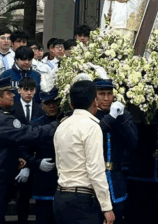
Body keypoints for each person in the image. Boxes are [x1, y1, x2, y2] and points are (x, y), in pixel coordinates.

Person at [0, 77, 59, 224]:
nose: (13, 95)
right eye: (8, 93)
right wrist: (56, 125)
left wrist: (13, 159)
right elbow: (28, 134)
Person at [53, 80, 115, 224]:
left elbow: (59, 164)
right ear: (95, 102)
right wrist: (107, 207)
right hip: (82, 200)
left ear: (71, 104)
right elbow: (95, 170)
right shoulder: (91, 127)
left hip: (60, 196)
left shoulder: (62, 126)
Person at [91, 77, 138, 222]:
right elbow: (93, 135)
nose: (106, 98)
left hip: (117, 178)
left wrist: (121, 117)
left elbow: (133, 143)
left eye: (109, 94)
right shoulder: (90, 115)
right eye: (102, 94)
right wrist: (110, 118)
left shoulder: (123, 114)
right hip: (94, 179)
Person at [25, 85, 62, 224]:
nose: (52, 106)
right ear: (42, 104)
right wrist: (36, 163)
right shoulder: (35, 124)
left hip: (64, 179)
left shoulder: (66, 120)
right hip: (43, 180)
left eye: (55, 102)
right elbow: (24, 150)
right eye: (48, 103)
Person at [10, 78, 42, 224]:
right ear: (19, 90)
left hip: (36, 156)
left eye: (31, 90)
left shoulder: (40, 108)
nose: (28, 93)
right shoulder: (12, 108)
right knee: (21, 197)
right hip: (18, 157)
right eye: (25, 90)